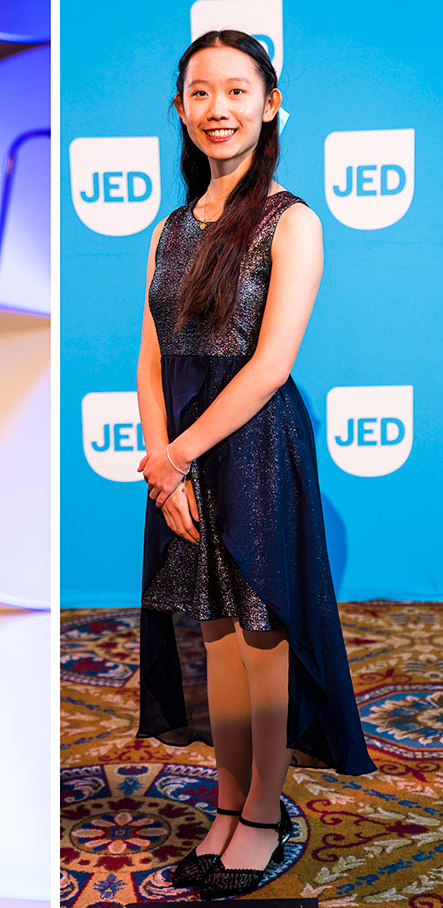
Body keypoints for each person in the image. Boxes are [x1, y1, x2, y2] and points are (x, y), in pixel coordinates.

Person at [134, 30, 375, 899]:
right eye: (200, 92)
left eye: (238, 91)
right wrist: (162, 462)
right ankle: (228, 804)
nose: (218, 109)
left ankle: (265, 815)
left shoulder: (293, 221)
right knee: (211, 632)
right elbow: (152, 349)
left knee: (261, 635)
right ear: (181, 109)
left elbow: (271, 364)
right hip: (181, 451)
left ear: (270, 104)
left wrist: (180, 458)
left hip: (253, 448)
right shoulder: (168, 228)